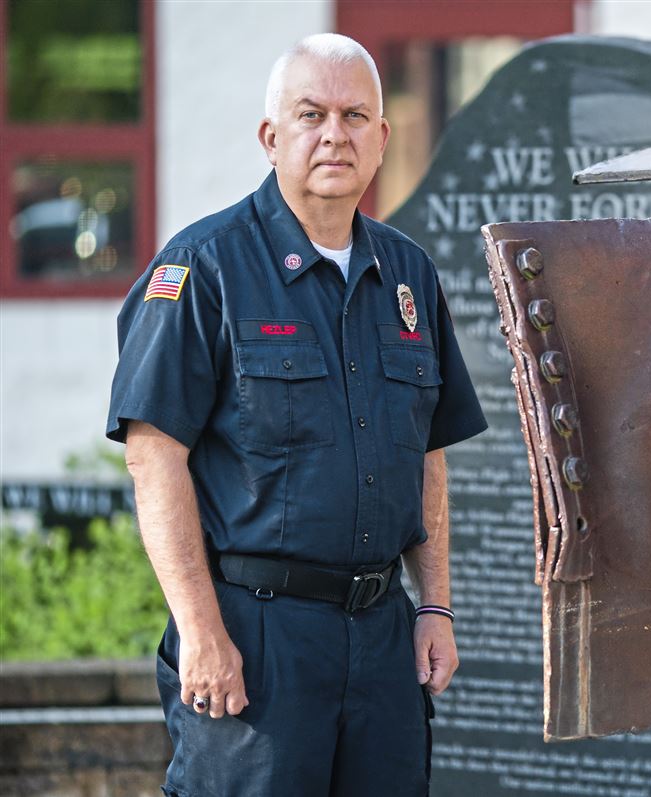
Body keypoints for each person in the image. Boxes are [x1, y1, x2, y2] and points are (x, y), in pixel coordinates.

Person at [106, 33, 486, 796]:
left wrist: (434, 602)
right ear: (271, 137)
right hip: (255, 635)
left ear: (383, 139)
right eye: (311, 114)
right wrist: (203, 633)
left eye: (354, 116)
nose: (334, 135)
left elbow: (427, 452)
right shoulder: (204, 266)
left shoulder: (407, 273)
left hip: (381, 637)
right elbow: (154, 456)